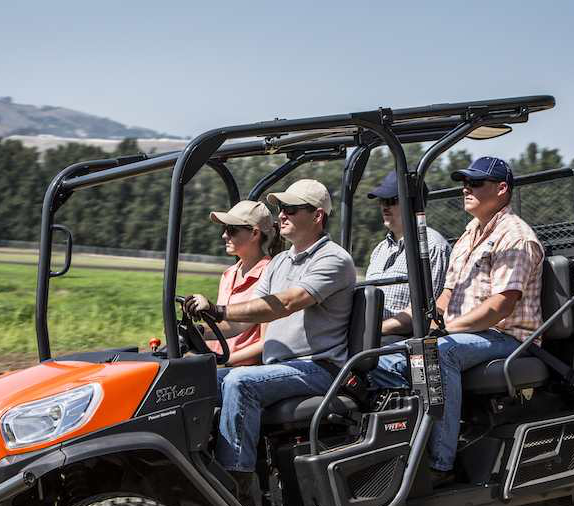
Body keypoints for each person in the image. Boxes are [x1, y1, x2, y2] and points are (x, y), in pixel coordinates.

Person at [373, 157, 545, 485]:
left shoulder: (515, 236)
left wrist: (447, 330)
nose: (466, 188)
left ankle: (440, 464)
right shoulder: (468, 235)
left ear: (502, 189)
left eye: (476, 183)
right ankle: (399, 449)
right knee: (388, 354)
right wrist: (430, 323)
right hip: (470, 334)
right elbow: (447, 294)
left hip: (507, 337)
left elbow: (500, 306)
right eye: (465, 182)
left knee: (440, 352)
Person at [185, 179, 356, 484]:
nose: (282, 215)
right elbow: (242, 321)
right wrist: (199, 329)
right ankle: (193, 468)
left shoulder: (333, 259)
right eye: (280, 208)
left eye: (290, 208)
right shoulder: (279, 262)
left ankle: (236, 482)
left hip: (318, 367)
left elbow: (287, 303)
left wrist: (218, 309)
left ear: (317, 216)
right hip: (282, 368)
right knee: (196, 378)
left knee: (240, 381)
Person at [365, 170, 450, 322]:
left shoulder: (433, 246)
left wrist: (376, 330)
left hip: (401, 339)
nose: (385, 206)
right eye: (382, 201)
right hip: (371, 335)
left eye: (392, 200)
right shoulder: (379, 250)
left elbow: (427, 312)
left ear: (413, 203)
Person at [203, 200, 281, 366]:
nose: (224, 235)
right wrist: (196, 332)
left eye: (231, 230)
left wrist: (223, 361)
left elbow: (265, 342)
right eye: (224, 229)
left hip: (241, 370)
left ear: (254, 234)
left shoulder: (271, 274)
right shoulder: (228, 274)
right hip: (217, 363)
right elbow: (223, 326)